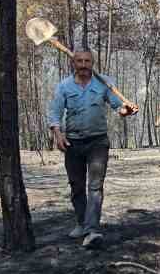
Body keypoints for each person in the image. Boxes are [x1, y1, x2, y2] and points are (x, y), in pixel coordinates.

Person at [47, 49, 138, 248]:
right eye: (79, 61)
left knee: (95, 187)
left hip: (97, 142)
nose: (83, 64)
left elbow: (118, 107)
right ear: (73, 63)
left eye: (87, 61)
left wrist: (127, 110)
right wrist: (58, 134)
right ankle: (82, 222)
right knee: (76, 186)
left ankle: (93, 229)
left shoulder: (104, 82)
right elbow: (54, 112)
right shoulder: (64, 86)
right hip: (73, 142)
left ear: (92, 62)